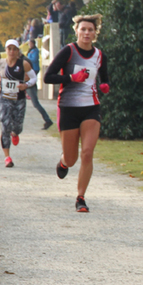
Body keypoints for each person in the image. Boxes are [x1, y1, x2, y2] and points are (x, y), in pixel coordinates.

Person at [43, 14, 110, 213]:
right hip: (68, 108)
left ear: (95, 33)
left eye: (90, 30)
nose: (87, 33)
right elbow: (48, 77)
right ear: (77, 31)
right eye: (83, 29)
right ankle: (64, 162)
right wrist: (71, 78)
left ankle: (81, 197)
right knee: (72, 159)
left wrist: (105, 86)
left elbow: (104, 78)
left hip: (91, 107)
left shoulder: (99, 55)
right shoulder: (69, 51)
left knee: (87, 153)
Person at [0, 39, 37, 168]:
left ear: (18, 51)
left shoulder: (24, 64)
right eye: (9, 49)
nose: (11, 51)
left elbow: (34, 78)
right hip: (4, 99)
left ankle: (15, 133)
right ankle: (7, 157)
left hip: (19, 99)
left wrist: (26, 85)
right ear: (6, 50)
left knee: (17, 126)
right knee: (5, 125)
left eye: (14, 49)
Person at [25, 39, 54, 129]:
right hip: (24, 83)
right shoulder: (26, 55)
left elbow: (33, 61)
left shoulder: (25, 59)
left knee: (35, 103)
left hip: (29, 82)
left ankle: (47, 120)